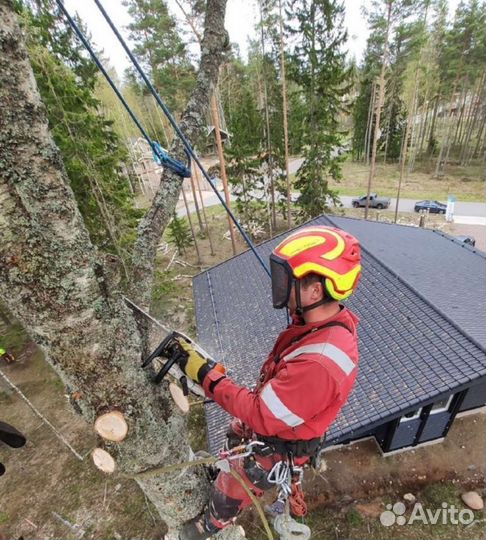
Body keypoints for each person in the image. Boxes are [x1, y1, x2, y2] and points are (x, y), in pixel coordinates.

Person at [178, 225, 362, 540]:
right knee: (236, 429)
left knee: (238, 477)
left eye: (287, 281)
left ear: (315, 291)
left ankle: (208, 526)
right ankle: (217, 468)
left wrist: (208, 378)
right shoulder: (316, 324)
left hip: (276, 445)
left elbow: (262, 414)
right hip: (274, 422)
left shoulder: (320, 363)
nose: (279, 286)